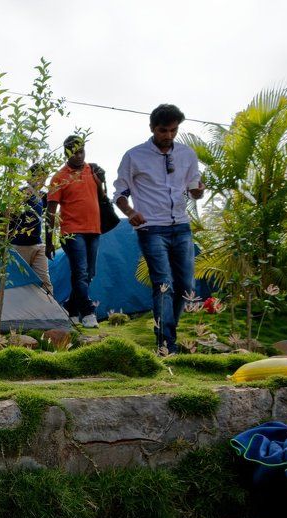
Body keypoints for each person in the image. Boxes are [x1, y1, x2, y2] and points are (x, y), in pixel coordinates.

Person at [113, 103, 204, 354]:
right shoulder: (134, 156)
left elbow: (194, 188)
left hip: (182, 227)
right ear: (152, 128)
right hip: (151, 229)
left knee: (186, 287)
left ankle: (168, 334)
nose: (169, 136)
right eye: (163, 130)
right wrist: (130, 213)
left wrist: (197, 192)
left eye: (174, 130)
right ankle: (166, 344)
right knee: (163, 284)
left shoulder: (187, 155)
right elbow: (120, 193)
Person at [46, 135, 103, 328]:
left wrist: (102, 180)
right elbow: (51, 212)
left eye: (82, 152)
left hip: (94, 229)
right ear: (66, 153)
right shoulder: (59, 177)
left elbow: (101, 197)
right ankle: (88, 312)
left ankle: (70, 308)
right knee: (80, 272)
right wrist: (48, 241)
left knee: (89, 274)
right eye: (74, 152)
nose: (79, 156)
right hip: (72, 232)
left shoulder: (92, 170)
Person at [9, 163, 53, 294]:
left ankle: (53, 311)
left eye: (44, 178)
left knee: (45, 282)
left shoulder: (42, 196)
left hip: (37, 244)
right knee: (19, 282)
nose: (41, 181)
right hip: (19, 245)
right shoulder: (21, 193)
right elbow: (8, 215)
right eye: (38, 177)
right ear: (29, 178)